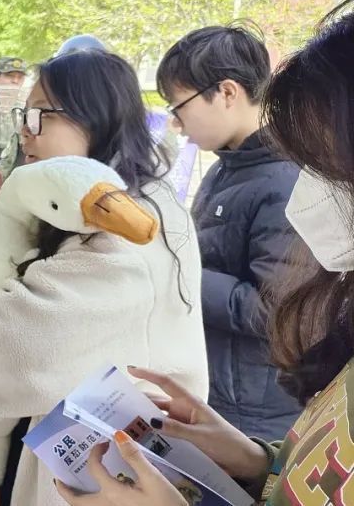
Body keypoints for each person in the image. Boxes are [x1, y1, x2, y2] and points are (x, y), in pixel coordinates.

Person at [53, 0, 354, 506]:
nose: (311, 191)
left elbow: (263, 307)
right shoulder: (222, 170)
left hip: (252, 394)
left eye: (326, 167)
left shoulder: (270, 182)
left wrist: (180, 266)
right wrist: (262, 462)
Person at [0, 49, 208, 506]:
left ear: (96, 118)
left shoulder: (122, 231)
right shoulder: (115, 199)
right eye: (24, 114)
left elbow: (6, 343)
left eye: (41, 115)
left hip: (111, 475)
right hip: (87, 458)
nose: (26, 129)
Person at [157, 24, 301, 442]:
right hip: (217, 387)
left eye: (179, 105)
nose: (177, 123)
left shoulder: (286, 181)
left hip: (252, 410)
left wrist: (178, 271)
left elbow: (273, 311)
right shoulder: (226, 167)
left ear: (227, 92)